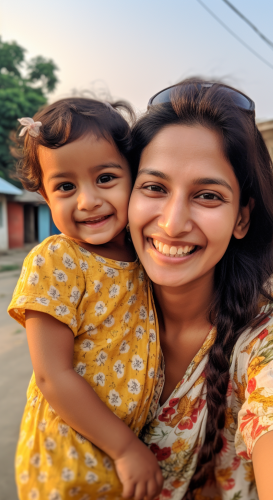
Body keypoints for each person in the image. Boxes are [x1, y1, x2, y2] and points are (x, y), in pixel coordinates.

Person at [128, 79, 273, 500]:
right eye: (155, 187)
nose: (173, 223)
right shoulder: (88, 311)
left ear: (242, 219)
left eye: (208, 195)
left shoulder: (264, 347)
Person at [8, 98, 163, 500]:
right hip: (70, 455)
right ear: (45, 197)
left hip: (121, 451)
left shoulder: (145, 252)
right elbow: (52, 375)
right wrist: (125, 448)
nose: (87, 201)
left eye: (106, 178)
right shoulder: (56, 259)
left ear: (134, 177)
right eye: (65, 186)